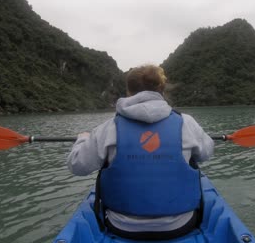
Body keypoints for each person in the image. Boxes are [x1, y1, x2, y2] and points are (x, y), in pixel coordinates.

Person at [67, 64, 214, 240]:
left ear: (129, 91)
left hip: (121, 225)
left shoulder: (108, 128)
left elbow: (77, 166)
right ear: (161, 89)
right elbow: (206, 153)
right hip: (180, 224)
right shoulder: (187, 123)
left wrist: (83, 139)